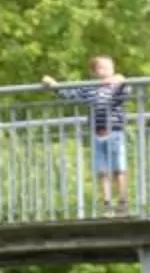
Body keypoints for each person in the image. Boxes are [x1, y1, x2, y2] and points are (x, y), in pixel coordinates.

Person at [41, 56, 130, 211]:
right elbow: (70, 94)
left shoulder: (114, 86)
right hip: (97, 133)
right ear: (94, 71)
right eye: (104, 68)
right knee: (102, 170)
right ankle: (107, 202)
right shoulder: (89, 88)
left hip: (114, 131)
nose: (109, 71)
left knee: (118, 168)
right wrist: (54, 86)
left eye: (111, 68)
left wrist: (122, 80)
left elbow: (126, 91)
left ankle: (123, 200)